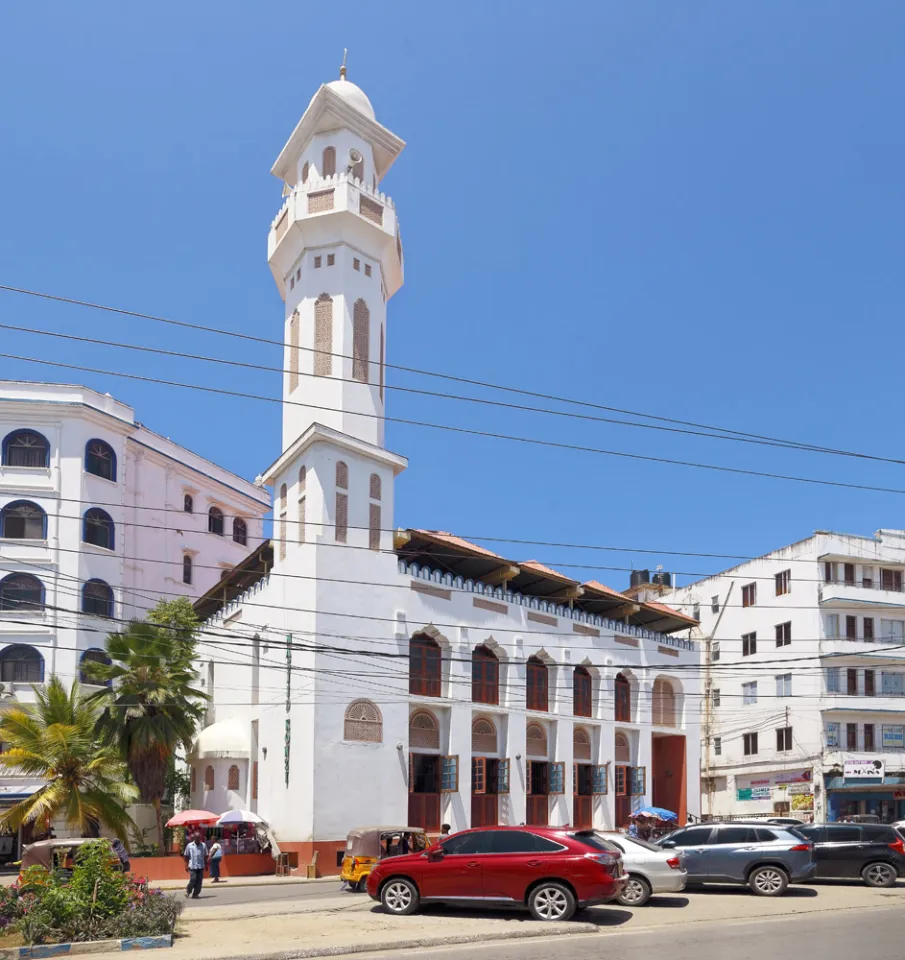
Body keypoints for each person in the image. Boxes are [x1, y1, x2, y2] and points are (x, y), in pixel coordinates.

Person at [183, 832, 208, 899]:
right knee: (193, 879)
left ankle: (195, 894)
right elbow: (186, 856)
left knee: (199, 881)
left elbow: (205, 856)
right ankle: (188, 891)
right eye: (197, 838)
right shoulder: (189, 845)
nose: (198, 839)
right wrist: (186, 865)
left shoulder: (203, 845)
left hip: (200, 866)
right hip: (192, 866)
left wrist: (206, 865)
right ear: (194, 838)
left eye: (199, 838)